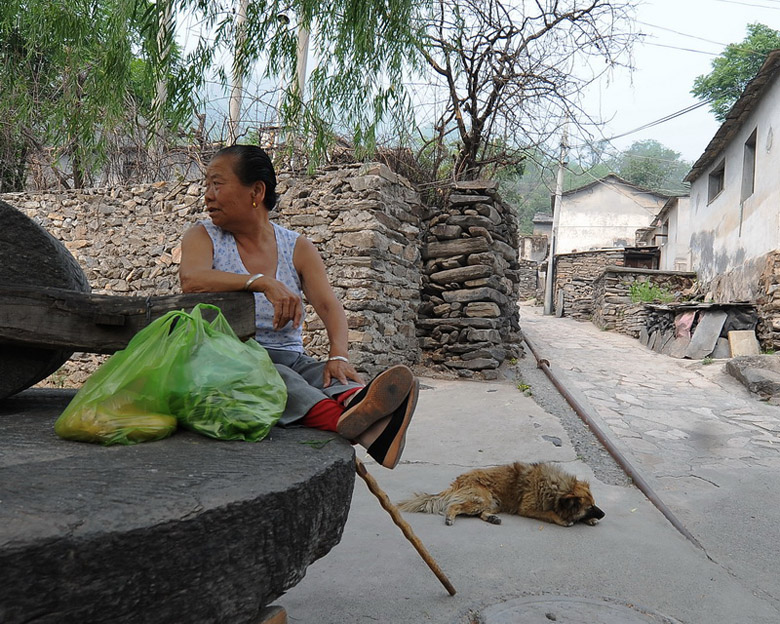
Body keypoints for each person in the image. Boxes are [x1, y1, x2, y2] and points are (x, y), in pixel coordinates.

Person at [179, 144, 418, 469]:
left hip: (289, 355)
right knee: (273, 376)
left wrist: (338, 356)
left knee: (321, 374)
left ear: (257, 191)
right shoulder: (203, 236)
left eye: (216, 184)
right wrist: (261, 281)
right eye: (207, 185)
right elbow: (192, 279)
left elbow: (330, 306)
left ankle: (363, 411)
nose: (207, 195)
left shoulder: (297, 247)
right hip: (229, 358)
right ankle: (350, 423)